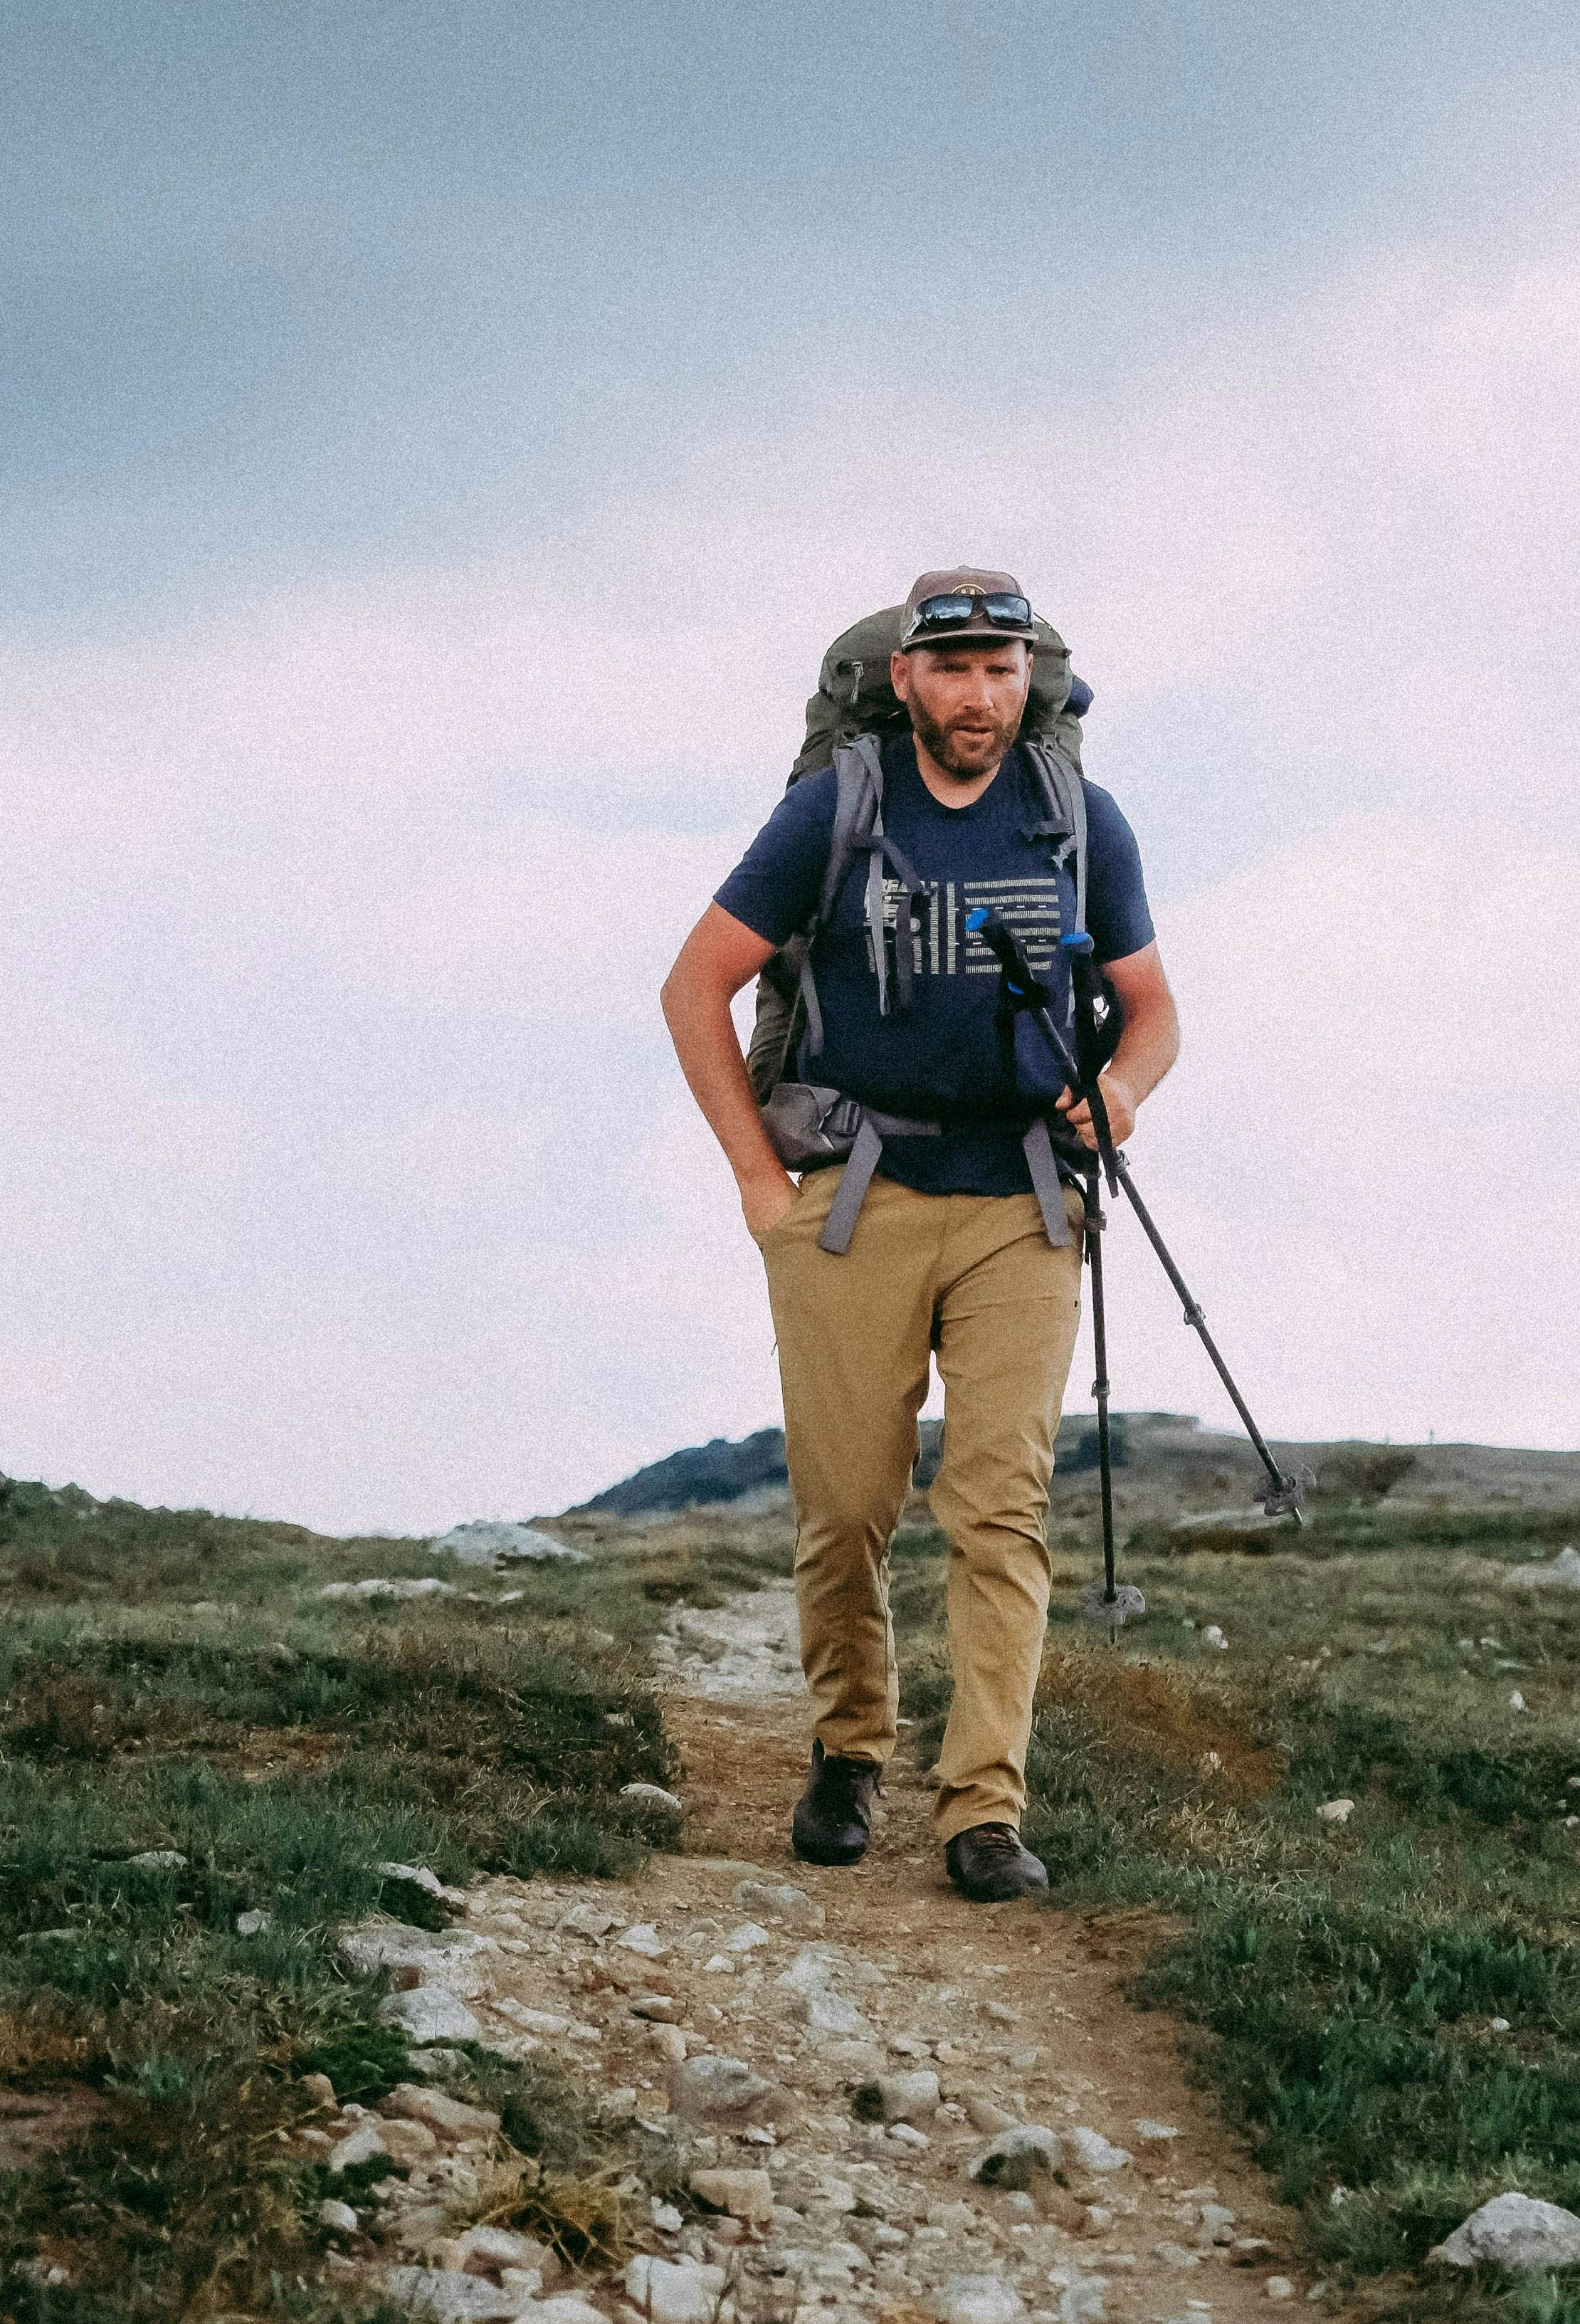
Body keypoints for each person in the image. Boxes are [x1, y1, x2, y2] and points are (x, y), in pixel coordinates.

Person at [657, 567, 1176, 1902]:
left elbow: (1151, 1007)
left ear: (1028, 679)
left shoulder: (1077, 816)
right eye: (952, 668)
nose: (978, 695)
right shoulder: (834, 808)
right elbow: (694, 983)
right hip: (854, 1194)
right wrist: (756, 1181)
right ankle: (848, 1748)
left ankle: (982, 1809)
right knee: (845, 1510)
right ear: (903, 678)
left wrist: (1120, 1092)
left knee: (1000, 1510)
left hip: (1023, 1199)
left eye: (1002, 668)